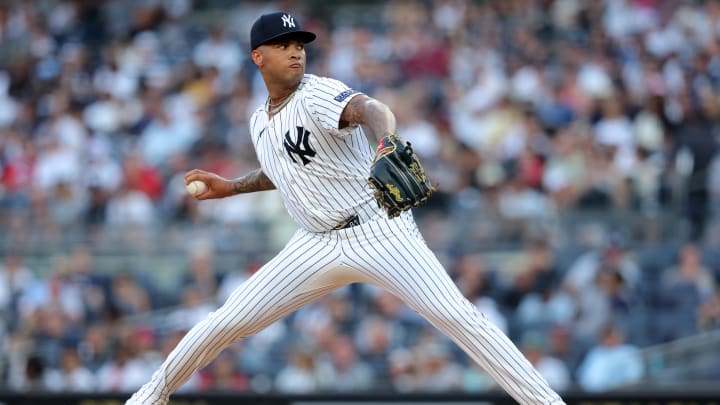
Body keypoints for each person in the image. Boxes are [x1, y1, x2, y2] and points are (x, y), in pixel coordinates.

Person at [126, 11, 565, 404]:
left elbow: (371, 108)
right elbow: (286, 170)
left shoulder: (317, 95)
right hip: (313, 244)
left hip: (378, 231)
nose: (296, 53)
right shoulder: (258, 118)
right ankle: (149, 396)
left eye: (299, 45)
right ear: (258, 57)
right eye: (283, 46)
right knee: (227, 320)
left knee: (457, 316)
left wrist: (386, 139)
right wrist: (233, 188)